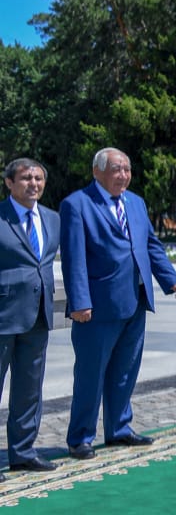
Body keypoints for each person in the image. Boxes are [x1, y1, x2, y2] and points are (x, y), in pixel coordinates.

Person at [60, 148, 176, 460]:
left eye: (127, 169)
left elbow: (151, 246)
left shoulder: (136, 203)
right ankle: (81, 438)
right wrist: (80, 301)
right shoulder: (77, 204)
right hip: (96, 308)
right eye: (116, 169)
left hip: (135, 301)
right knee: (91, 374)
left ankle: (120, 429)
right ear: (98, 171)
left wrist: (173, 281)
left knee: (125, 371)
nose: (123, 175)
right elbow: (74, 257)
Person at [0, 159, 61, 477]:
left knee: (28, 390)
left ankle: (23, 452)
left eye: (38, 178)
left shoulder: (52, 219)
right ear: (9, 183)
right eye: (25, 178)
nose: (33, 183)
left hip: (37, 316)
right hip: (2, 317)